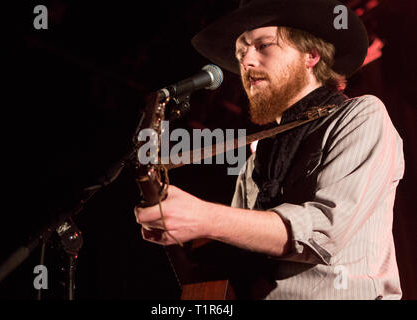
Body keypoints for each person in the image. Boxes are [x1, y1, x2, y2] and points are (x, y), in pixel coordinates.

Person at [134, 0, 404, 299]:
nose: (246, 61)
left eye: (263, 46)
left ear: (310, 55)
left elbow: (324, 231)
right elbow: (240, 250)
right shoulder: (256, 158)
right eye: (241, 52)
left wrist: (204, 218)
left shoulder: (361, 115)